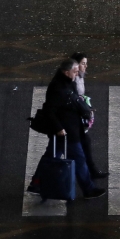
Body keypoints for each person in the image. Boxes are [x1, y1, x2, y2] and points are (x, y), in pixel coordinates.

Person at [44, 58, 105, 199]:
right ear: (66, 72)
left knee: (51, 156)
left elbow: (74, 101)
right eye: (75, 71)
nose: (77, 74)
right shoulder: (57, 88)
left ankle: (38, 182)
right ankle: (88, 190)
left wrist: (86, 109)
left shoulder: (67, 83)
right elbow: (50, 111)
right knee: (79, 159)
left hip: (73, 128)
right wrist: (59, 128)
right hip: (67, 132)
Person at [71, 51, 107, 179]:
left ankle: (91, 171)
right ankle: (89, 173)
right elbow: (74, 99)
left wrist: (87, 106)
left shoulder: (80, 76)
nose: (85, 66)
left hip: (77, 115)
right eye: (83, 63)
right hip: (72, 118)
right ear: (76, 65)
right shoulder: (72, 79)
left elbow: (80, 97)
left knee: (84, 143)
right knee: (83, 143)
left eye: (86, 64)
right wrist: (84, 109)